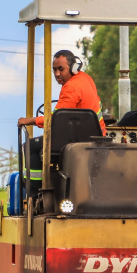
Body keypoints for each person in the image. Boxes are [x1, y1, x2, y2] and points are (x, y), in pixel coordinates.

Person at [17, 50, 106, 193]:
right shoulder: (86, 79)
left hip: (74, 140)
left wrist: (30, 120)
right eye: (54, 70)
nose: (57, 74)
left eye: (61, 69)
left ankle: (37, 191)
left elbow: (55, 120)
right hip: (98, 137)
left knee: (30, 146)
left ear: (73, 68)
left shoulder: (71, 87)